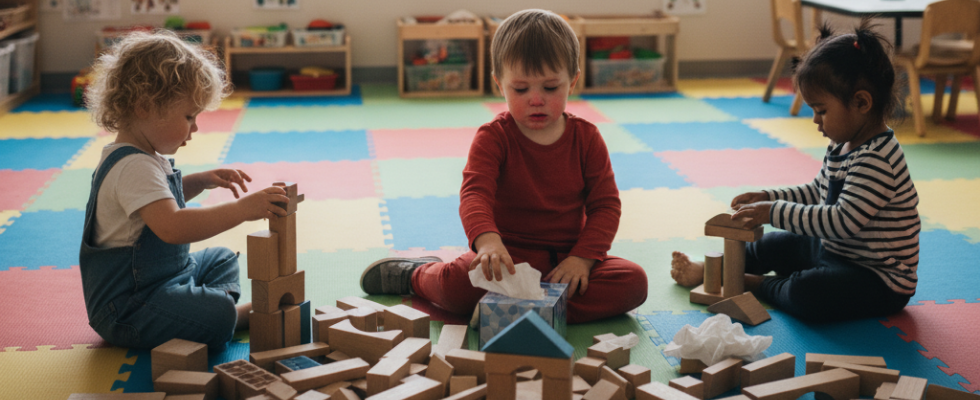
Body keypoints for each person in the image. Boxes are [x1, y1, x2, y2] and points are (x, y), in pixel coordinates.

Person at [360, 9, 648, 324]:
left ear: (573, 81)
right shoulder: (494, 137)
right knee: (459, 287)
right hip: (506, 257)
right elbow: (475, 195)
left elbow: (605, 206)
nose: (536, 99)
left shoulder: (587, 138)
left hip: (566, 260)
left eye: (551, 88)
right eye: (521, 89)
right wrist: (488, 243)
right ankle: (416, 275)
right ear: (500, 85)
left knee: (632, 281)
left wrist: (583, 258)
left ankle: (516, 312)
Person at [671, 20, 920, 322]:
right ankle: (716, 269)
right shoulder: (843, 144)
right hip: (835, 251)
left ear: (861, 102)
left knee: (809, 292)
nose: (816, 121)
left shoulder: (878, 159)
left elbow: (842, 221)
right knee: (771, 244)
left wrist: (772, 211)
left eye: (822, 111)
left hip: (876, 278)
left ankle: (754, 284)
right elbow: (816, 192)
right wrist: (768, 196)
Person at [80, 31, 290, 350]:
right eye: (189, 116)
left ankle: (194, 311)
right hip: (129, 308)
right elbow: (173, 227)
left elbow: (158, 202)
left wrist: (201, 180)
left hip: (166, 279)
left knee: (220, 259)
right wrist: (243, 210)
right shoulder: (133, 167)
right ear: (144, 107)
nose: (195, 127)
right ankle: (225, 317)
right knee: (218, 313)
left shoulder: (143, 156)